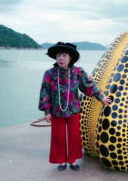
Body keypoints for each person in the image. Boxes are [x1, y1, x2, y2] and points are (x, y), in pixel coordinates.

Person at [38, 42, 112, 171]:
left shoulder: (78, 71)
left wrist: (101, 98)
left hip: (73, 110)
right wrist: (47, 111)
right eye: (59, 55)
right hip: (56, 111)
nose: (61, 58)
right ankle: (61, 161)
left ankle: (72, 160)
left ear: (70, 58)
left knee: (74, 135)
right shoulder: (49, 73)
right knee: (59, 136)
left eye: (65, 55)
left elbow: (88, 86)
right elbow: (45, 92)